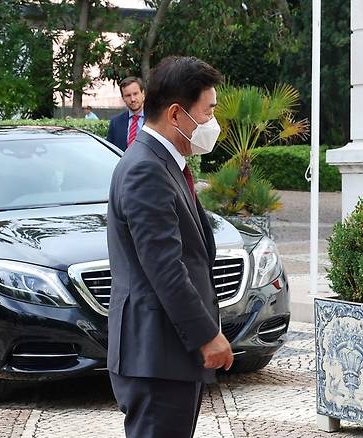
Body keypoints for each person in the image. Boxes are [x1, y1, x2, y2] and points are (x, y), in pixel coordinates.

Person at [106, 56, 232, 438]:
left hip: (167, 354)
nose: (213, 123)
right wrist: (206, 335)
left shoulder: (166, 163)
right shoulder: (146, 168)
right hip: (156, 354)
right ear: (177, 114)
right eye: (208, 112)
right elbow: (165, 266)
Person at [106, 77, 145, 151]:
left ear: (143, 94)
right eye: (128, 95)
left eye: (135, 94)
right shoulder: (115, 123)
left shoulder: (156, 119)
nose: (132, 99)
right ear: (123, 98)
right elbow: (110, 152)